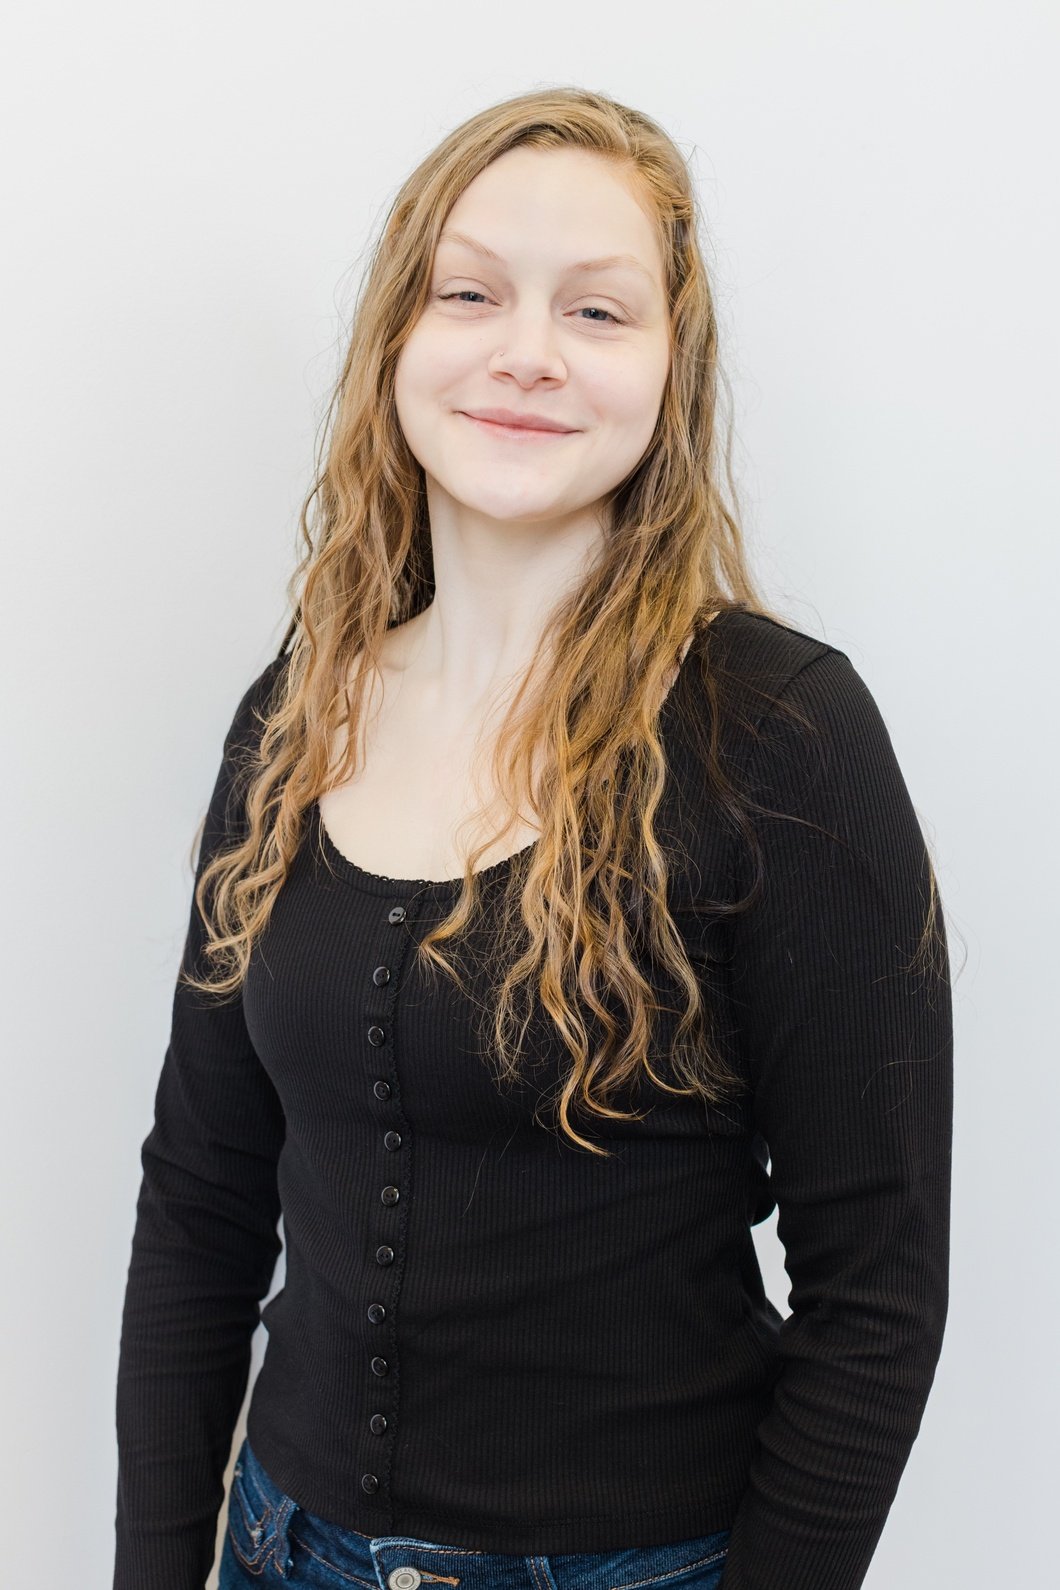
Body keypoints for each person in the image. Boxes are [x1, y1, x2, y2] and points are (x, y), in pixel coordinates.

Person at [113, 87, 953, 1590]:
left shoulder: (783, 734)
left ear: (670, 373)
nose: (526, 352)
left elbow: (875, 1296)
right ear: (397, 340)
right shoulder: (295, 712)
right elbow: (200, 1196)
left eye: (600, 311)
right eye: (471, 291)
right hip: (279, 1548)